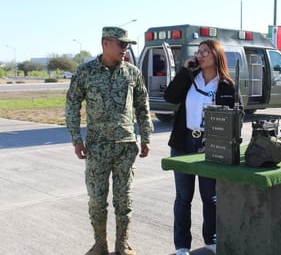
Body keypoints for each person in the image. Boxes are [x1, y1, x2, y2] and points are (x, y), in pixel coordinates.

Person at [65, 26, 153, 255]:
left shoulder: (132, 73)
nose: (126, 49)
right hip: (97, 148)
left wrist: (146, 137)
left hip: (125, 147)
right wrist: (76, 139)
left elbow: (143, 107)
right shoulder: (85, 72)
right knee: (96, 201)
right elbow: (72, 105)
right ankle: (100, 245)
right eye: (121, 44)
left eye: (127, 45)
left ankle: (122, 244)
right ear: (106, 43)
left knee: (124, 201)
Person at [164, 39, 241, 255]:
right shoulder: (190, 78)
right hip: (184, 142)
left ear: (217, 55)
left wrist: (223, 144)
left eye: (205, 52)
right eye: (198, 52)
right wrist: (184, 70)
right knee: (183, 197)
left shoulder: (227, 85)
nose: (200, 55)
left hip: (210, 146)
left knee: (210, 196)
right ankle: (181, 246)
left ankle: (211, 239)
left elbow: (236, 117)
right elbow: (170, 96)